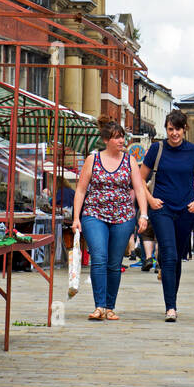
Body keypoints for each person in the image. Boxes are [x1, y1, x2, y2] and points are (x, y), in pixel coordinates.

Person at [73, 118, 149, 321]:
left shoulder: (129, 160)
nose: (121, 140)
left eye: (122, 136)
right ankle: (99, 306)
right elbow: (80, 190)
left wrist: (143, 214)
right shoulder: (93, 159)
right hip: (94, 214)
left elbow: (139, 188)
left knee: (114, 263)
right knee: (99, 258)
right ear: (106, 140)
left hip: (123, 216)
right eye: (117, 137)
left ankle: (109, 306)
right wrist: (76, 218)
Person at [140, 111, 194, 322]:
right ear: (166, 129)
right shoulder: (157, 149)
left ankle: (172, 298)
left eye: (178, 129)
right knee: (169, 255)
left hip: (186, 210)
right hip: (162, 208)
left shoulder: (193, 151)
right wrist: (151, 200)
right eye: (170, 129)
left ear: (184, 129)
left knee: (177, 257)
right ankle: (170, 307)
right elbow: (140, 179)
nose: (174, 134)